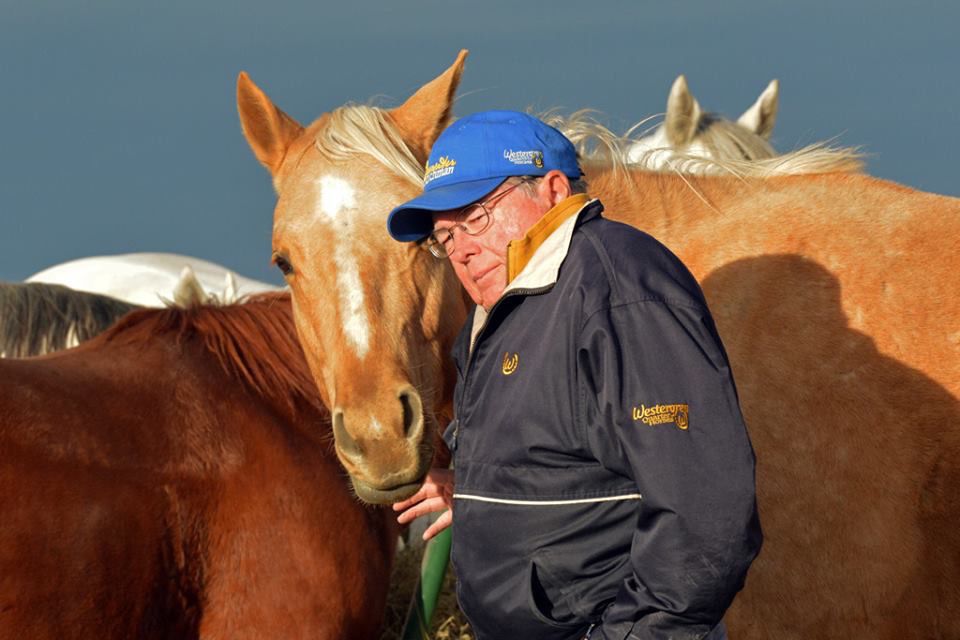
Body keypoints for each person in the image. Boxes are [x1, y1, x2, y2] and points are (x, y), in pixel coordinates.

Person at [388, 110, 761, 640]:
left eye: (476, 217)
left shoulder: (619, 290)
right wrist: (480, 492)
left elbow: (703, 508)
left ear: (554, 190)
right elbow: (571, 459)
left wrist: (631, 634)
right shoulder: (504, 308)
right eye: (444, 236)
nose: (462, 250)